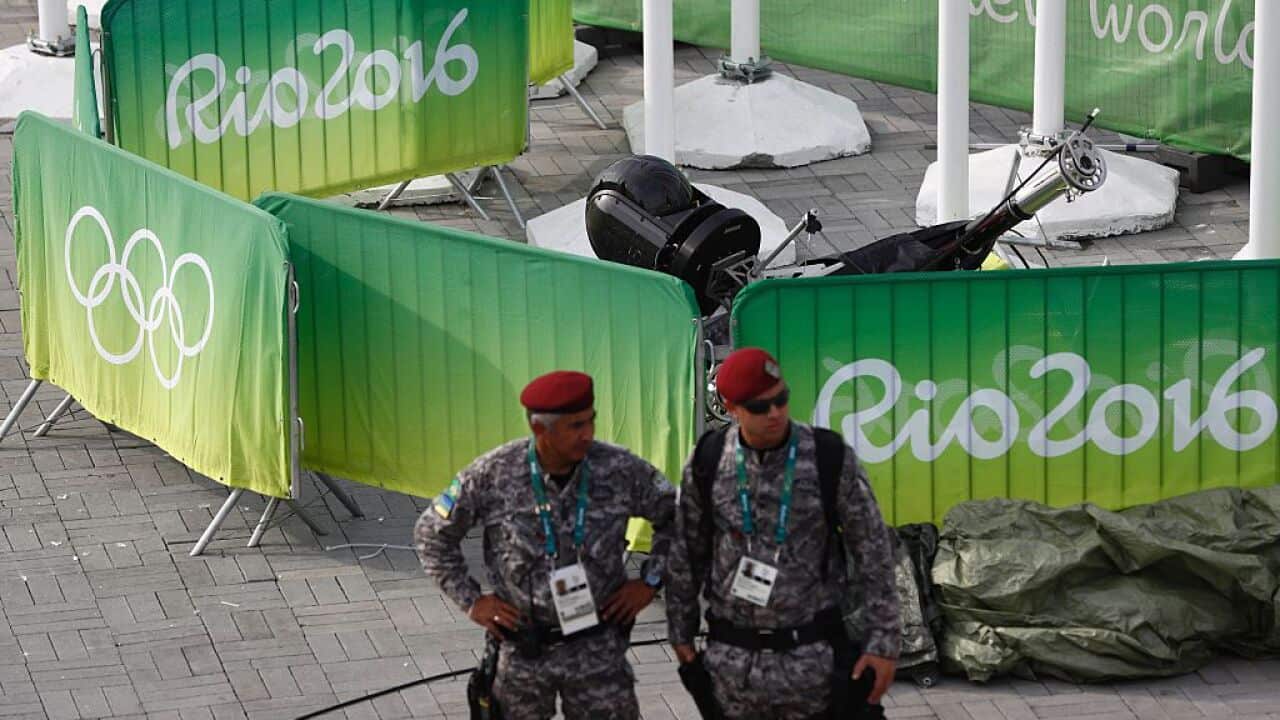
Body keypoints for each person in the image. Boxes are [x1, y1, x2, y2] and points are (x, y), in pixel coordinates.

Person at [414, 370, 675, 720]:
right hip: (523, 651)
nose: (588, 434)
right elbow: (431, 533)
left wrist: (650, 581)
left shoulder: (619, 468)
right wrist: (472, 601)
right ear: (541, 430)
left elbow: (680, 518)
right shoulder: (495, 473)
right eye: (575, 426)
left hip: (597, 649)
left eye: (590, 422)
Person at [666, 348, 900, 719]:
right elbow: (686, 552)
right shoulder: (708, 461)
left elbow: (872, 551)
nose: (775, 413)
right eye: (760, 407)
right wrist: (681, 636)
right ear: (731, 408)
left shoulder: (827, 456)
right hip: (733, 665)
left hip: (814, 661)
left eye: (781, 399)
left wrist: (884, 642)